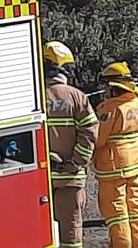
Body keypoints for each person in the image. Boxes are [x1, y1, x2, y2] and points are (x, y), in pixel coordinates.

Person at [42, 42, 98, 248]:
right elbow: (90, 133)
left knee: (42, 232)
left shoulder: (34, 96)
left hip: (40, 180)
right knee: (70, 232)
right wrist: (76, 163)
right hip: (70, 178)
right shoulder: (77, 97)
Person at [94, 62, 138, 248]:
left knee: (116, 209)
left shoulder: (109, 109)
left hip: (114, 165)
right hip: (136, 160)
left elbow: (98, 139)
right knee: (134, 206)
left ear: (112, 87)